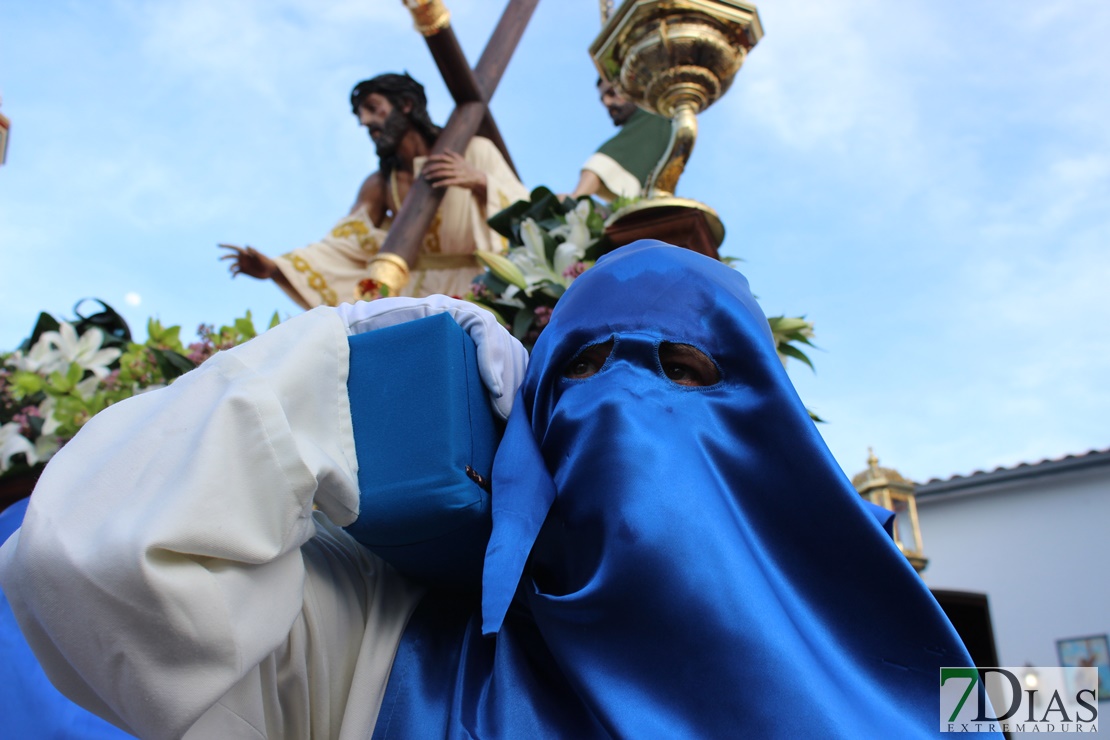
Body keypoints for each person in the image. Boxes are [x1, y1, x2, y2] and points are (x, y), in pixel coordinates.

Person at [0, 242, 988, 738]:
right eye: (589, 368)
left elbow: (1066, 704)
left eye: (688, 372)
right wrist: (350, 373)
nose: (629, 411)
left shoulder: (926, 680)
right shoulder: (375, 635)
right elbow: (87, 558)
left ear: (770, 428)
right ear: (535, 417)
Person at [221, 73, 529, 307]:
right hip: (415, 297)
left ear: (406, 106)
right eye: (361, 116)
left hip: (477, 285)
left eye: (372, 109)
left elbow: (525, 210)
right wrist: (278, 268)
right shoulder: (381, 183)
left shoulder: (474, 151)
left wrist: (480, 181)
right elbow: (345, 240)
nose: (366, 122)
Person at [570, 79, 672, 202]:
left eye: (612, 93)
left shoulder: (653, 117)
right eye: (603, 100)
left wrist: (576, 198)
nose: (607, 102)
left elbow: (604, 162)